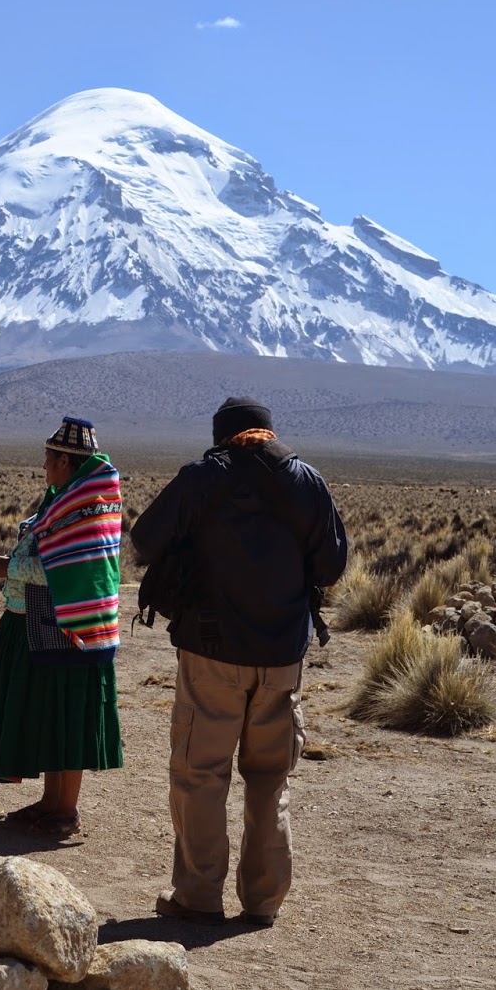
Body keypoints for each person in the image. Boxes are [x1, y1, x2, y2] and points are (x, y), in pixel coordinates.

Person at [131, 396, 347, 927]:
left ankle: (199, 897)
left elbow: (143, 541)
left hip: (211, 652)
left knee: (200, 774)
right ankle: (263, 902)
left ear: (222, 434)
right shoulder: (306, 481)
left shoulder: (203, 477)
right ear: (268, 433)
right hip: (281, 657)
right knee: (271, 778)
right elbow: (332, 564)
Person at [0, 416, 125, 836]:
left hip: (69, 630)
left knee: (67, 711)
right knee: (54, 711)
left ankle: (65, 810)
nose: (45, 465)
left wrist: (8, 566)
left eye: (50, 458)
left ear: (67, 461)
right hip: (43, 623)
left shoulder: (83, 509)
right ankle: (52, 803)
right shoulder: (64, 500)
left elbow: (63, 569)